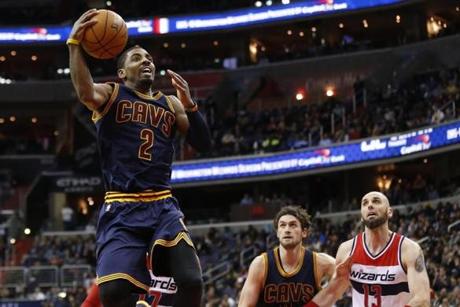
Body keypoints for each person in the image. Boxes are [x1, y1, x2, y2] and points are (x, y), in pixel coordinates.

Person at [67, 9, 211, 307]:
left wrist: (191, 106)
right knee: (112, 293)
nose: (146, 61)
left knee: (192, 281)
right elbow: (84, 91)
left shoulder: (170, 103)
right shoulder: (112, 94)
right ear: (122, 72)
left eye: (148, 58)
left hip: (162, 205)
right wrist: (74, 45)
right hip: (122, 205)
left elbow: (204, 143)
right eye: (136, 58)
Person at [330, 191, 431, 306]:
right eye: (365, 203)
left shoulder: (409, 250)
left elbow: (422, 300)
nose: (370, 205)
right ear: (362, 217)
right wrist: (337, 281)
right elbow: (332, 293)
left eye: (376, 201)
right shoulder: (346, 250)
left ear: (390, 212)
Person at [238, 205, 351, 307]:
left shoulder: (321, 262)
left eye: (293, 225)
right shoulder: (261, 264)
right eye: (282, 225)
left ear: (304, 232)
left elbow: (353, 280)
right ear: (277, 233)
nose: (287, 230)